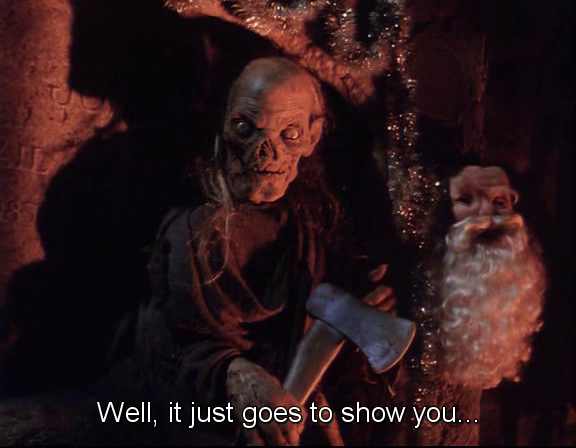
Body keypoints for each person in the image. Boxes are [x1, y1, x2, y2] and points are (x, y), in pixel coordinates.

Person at [136, 56, 396, 446]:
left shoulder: (307, 226)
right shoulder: (191, 233)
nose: (265, 152)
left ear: (312, 137)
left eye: (289, 133)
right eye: (245, 128)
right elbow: (169, 346)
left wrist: (359, 305)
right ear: (224, 124)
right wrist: (233, 373)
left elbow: (315, 319)